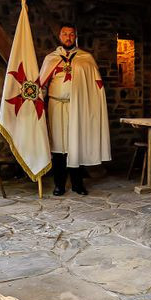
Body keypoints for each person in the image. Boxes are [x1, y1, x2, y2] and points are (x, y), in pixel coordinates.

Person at [40, 24, 111, 195]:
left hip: (78, 106)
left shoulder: (86, 58)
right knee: (58, 146)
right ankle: (59, 185)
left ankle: (77, 184)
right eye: (65, 34)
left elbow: (96, 85)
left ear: (75, 37)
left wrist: (93, 106)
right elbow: (42, 84)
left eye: (71, 34)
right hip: (56, 106)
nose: (68, 37)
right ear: (60, 36)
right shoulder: (51, 58)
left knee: (75, 143)